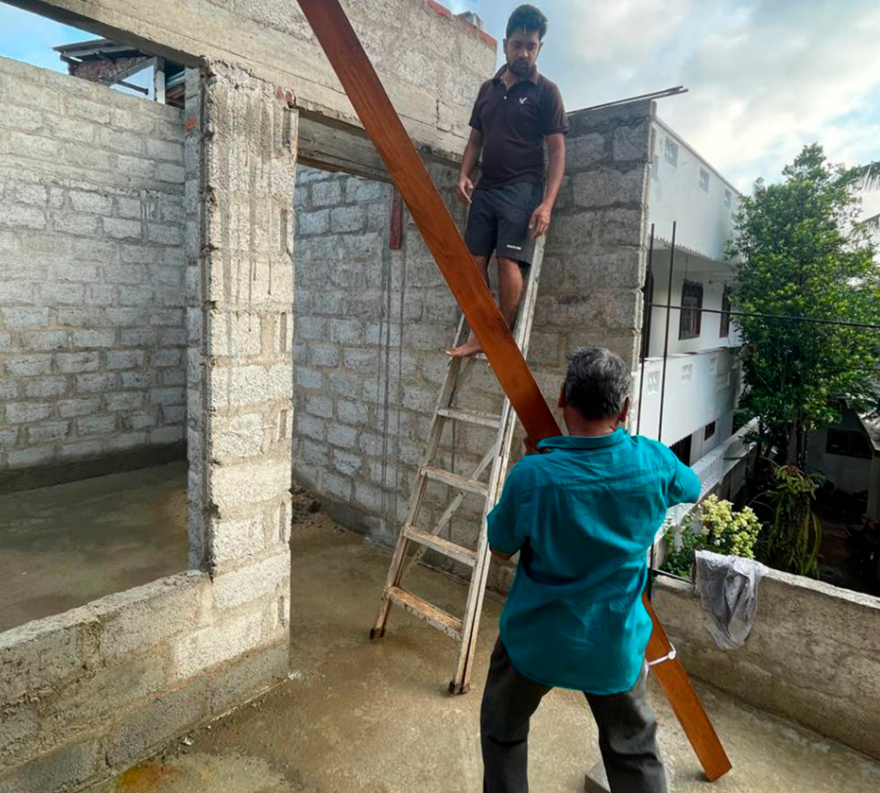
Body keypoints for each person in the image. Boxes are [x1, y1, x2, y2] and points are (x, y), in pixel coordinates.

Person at [480, 347, 702, 793]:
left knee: (503, 732)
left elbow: (500, 549)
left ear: (563, 397)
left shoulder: (533, 475)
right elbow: (692, 488)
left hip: (535, 645)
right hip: (613, 647)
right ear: (624, 409)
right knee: (634, 752)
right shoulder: (654, 462)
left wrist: (533, 462)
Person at [446, 4, 569, 358]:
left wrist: (547, 204)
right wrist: (464, 174)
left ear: (540, 48)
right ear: (505, 45)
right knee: (472, 263)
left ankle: (498, 335)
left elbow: (557, 152)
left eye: (531, 46)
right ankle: (486, 331)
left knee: (507, 262)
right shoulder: (488, 90)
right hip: (486, 187)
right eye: (517, 45)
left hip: (522, 187)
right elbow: (475, 141)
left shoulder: (547, 92)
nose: (523, 53)